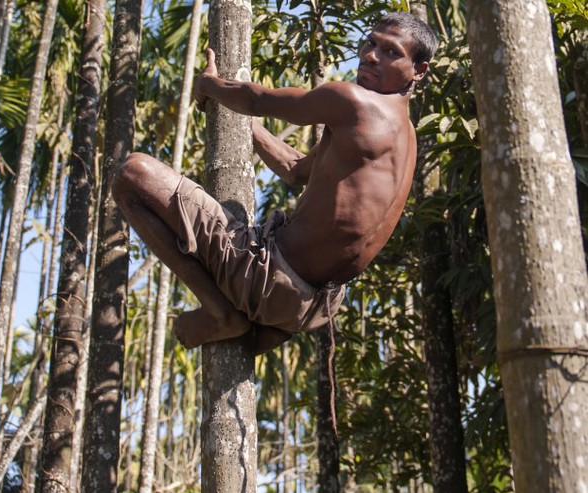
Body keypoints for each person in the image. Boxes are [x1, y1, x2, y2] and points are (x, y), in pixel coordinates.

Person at [112, 11, 437, 354]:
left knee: (131, 174)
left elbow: (257, 100)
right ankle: (256, 319)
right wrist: (245, 128)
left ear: (419, 70)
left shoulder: (354, 102)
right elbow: (295, 169)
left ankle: (220, 312)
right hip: (311, 308)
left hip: (266, 277)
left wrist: (209, 85)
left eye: (391, 52)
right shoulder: (404, 136)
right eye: (370, 43)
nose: (371, 55)